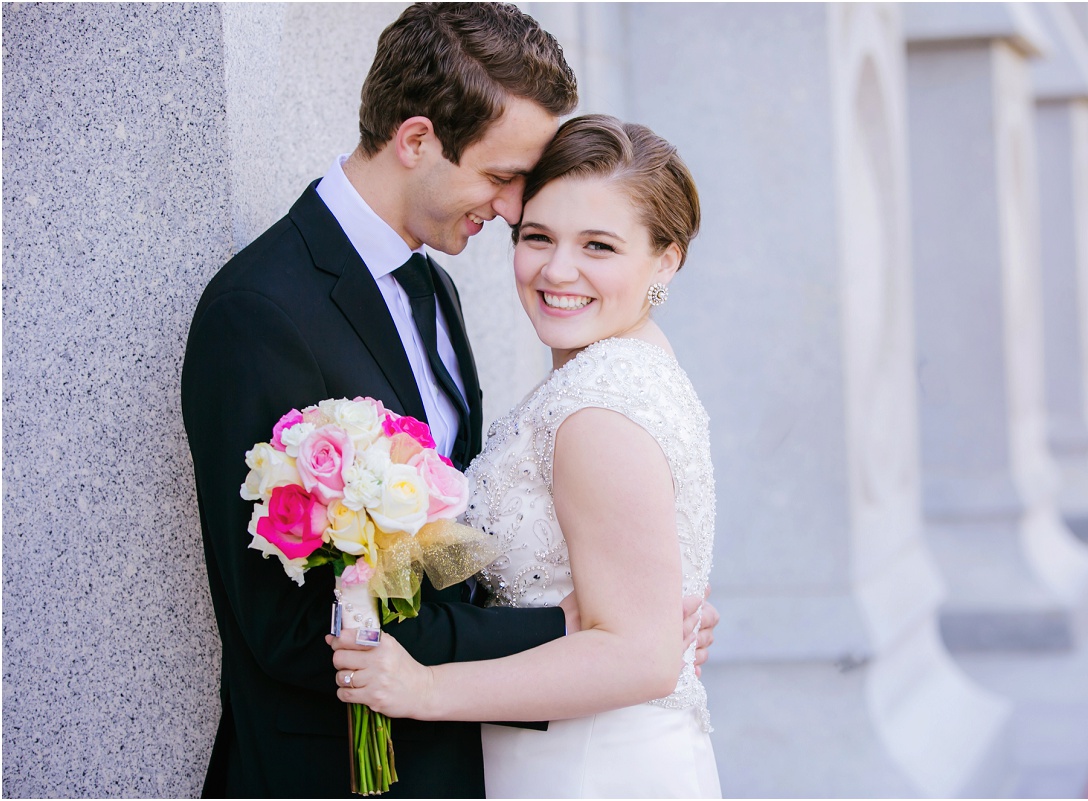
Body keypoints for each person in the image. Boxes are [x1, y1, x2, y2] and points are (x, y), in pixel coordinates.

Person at [180, 5, 716, 798]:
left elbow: (443, 539)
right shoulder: (260, 314)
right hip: (334, 771)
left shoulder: (430, 287)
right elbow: (289, 627)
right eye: (503, 179)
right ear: (418, 140)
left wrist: (628, 604)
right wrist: (565, 623)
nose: (509, 212)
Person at [329, 114, 721, 798]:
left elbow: (641, 656)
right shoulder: (624, 367)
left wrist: (422, 687)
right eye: (538, 236)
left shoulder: (600, 406)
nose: (557, 270)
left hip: (591, 766)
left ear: (665, 259)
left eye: (598, 245)